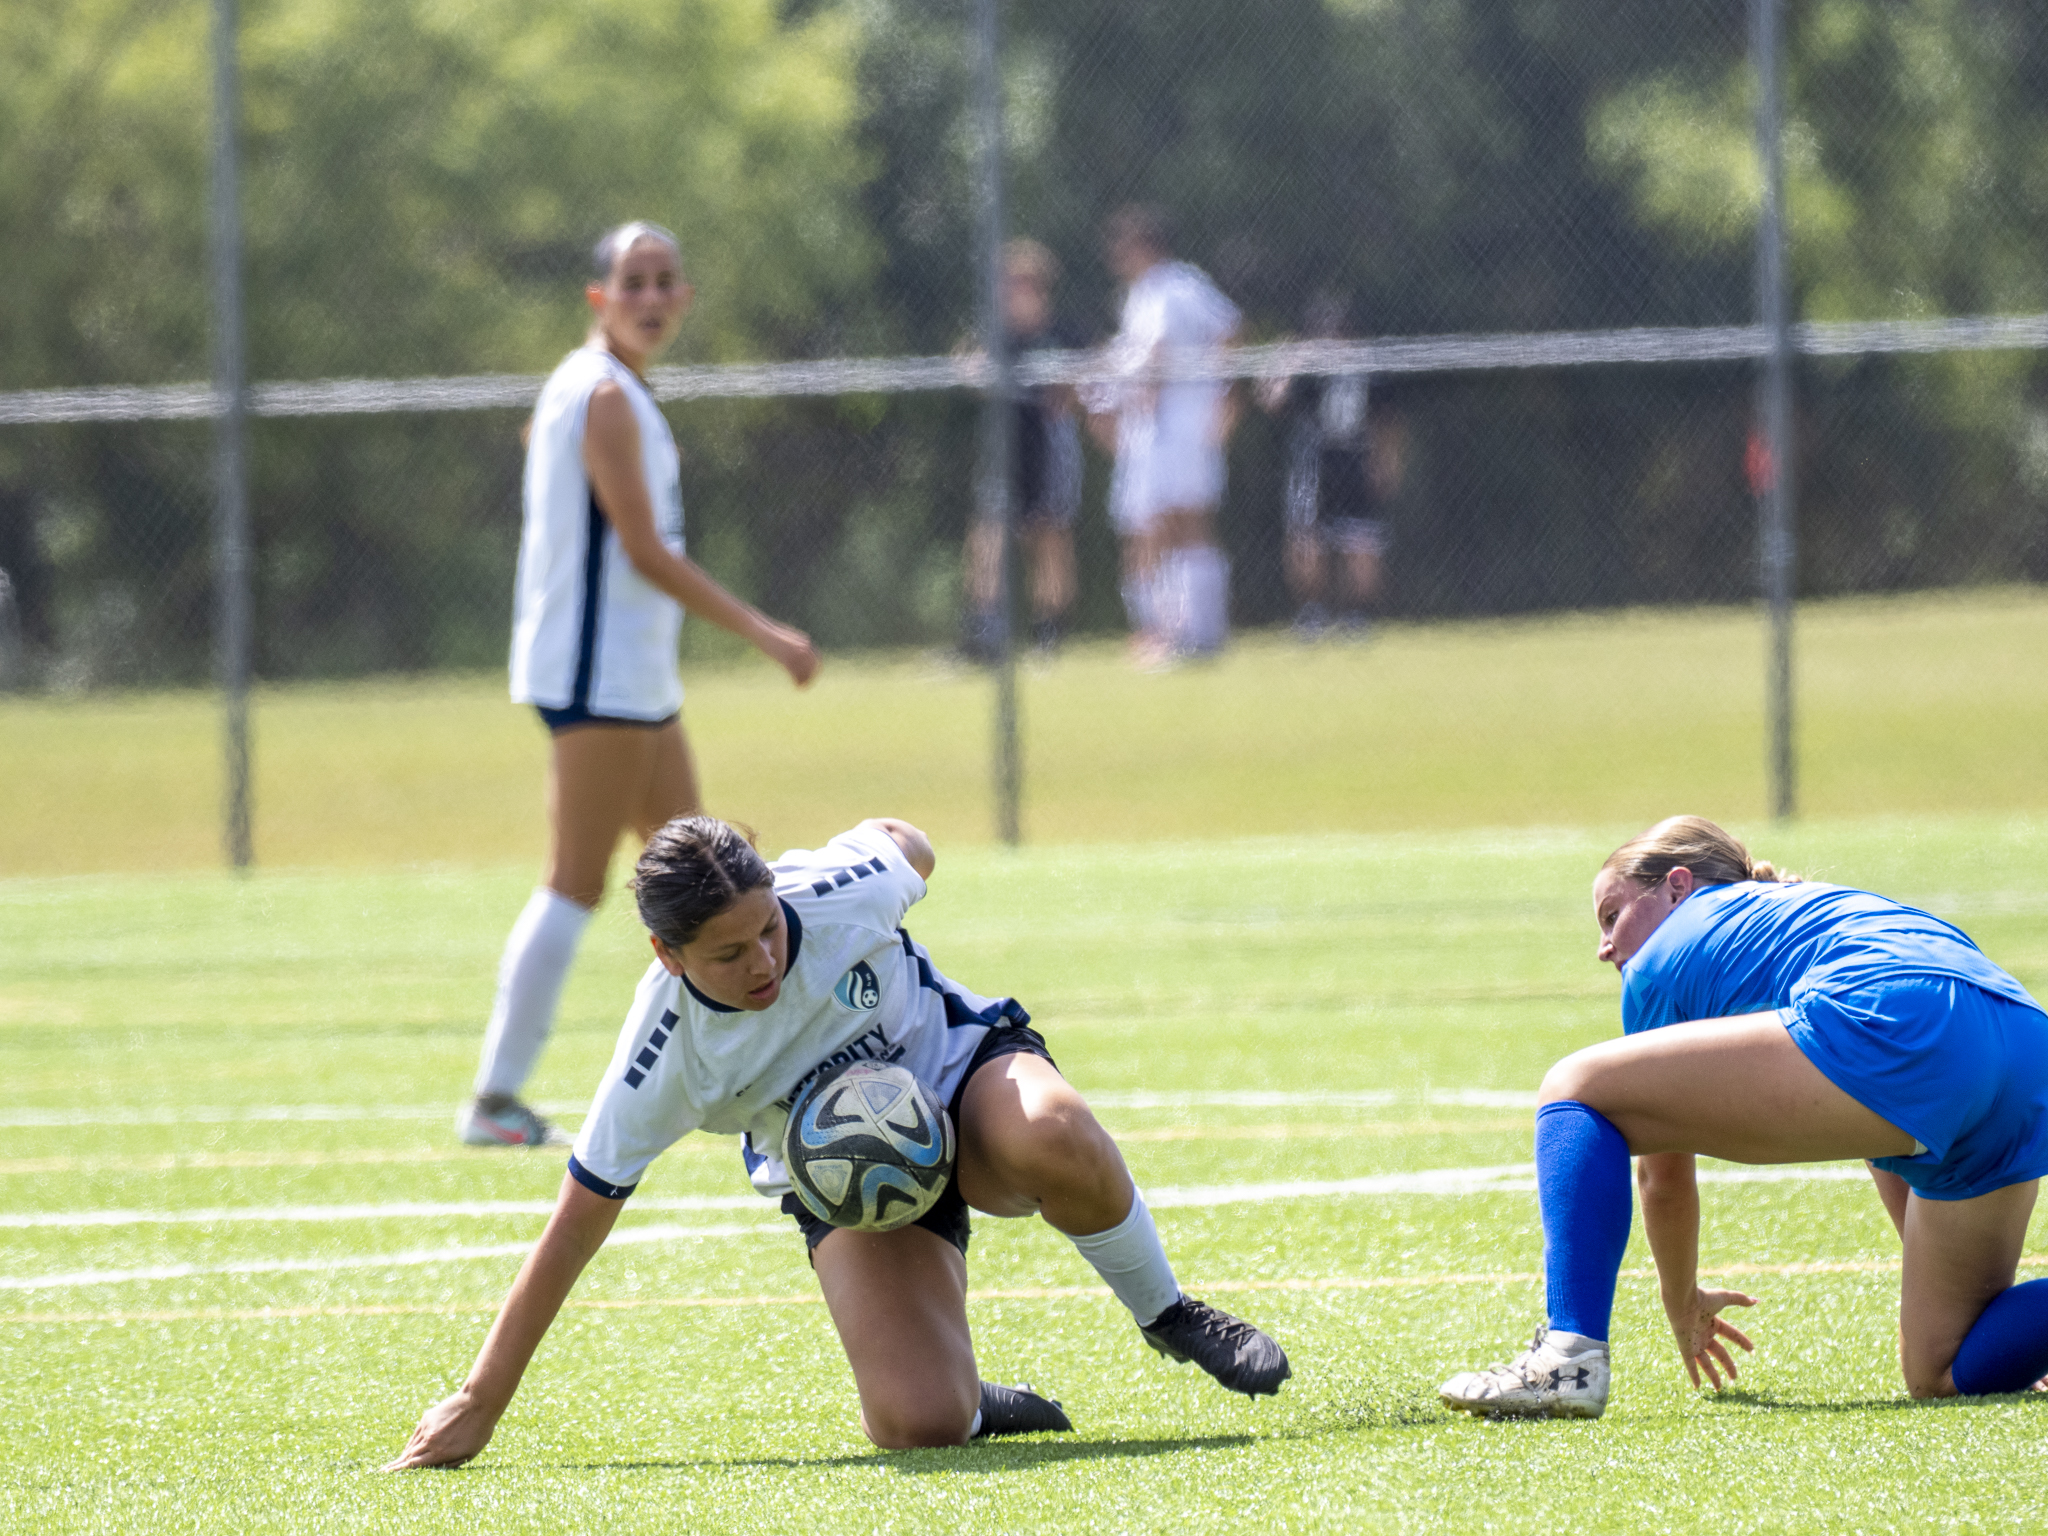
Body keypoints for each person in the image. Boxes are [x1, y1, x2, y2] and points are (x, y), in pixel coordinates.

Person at [390, 815, 1290, 1466]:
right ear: (668, 958)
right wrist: (481, 1400)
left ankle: (1170, 1314)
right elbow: (575, 1227)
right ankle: (975, 1403)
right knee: (915, 1422)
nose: (766, 963)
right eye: (729, 955)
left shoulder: (835, 891)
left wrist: (869, 845)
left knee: (1050, 1131)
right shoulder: (661, 1057)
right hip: (847, 1187)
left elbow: (909, 843)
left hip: (962, 1081)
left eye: (768, 929)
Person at [1440, 816, 2048, 1420]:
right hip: (2023, 1042)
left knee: (1576, 1088)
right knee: (1941, 1368)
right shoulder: (1799, 913)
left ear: (1677, 886)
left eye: (1611, 916)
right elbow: (1891, 1115)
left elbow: (1663, 1179)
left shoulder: (1664, 959)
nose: (1605, 949)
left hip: (1899, 1021)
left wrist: (1680, 1302)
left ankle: (1566, 1360)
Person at [459, 222, 821, 1149]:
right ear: (599, 298)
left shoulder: (607, 390)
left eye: (666, 282)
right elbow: (645, 552)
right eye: (634, 282)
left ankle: (743, 1065)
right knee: (578, 883)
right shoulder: (605, 396)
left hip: (633, 677)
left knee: (709, 882)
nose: (653, 299)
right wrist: (764, 633)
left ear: (684, 296)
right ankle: (493, 1099)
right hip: (599, 678)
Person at [1085, 205, 1240, 667]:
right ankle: (1160, 629)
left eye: (1123, 247)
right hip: (1148, 429)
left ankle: (1198, 633)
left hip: (1183, 422)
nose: (1116, 257)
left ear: (1144, 246)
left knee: (1185, 520)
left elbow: (1228, 331)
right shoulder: (1139, 295)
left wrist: (1221, 397)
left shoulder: (1181, 286)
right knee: (1145, 525)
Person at [960, 239, 1084, 662]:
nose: (1004, 291)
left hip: (1048, 443)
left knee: (1047, 534)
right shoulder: (997, 336)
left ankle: (1049, 633)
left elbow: (1085, 384)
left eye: (1013, 283)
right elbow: (968, 365)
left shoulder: (1061, 333)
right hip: (1004, 446)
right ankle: (984, 633)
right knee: (988, 533)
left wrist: (1068, 387)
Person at [1256, 293, 1405, 640]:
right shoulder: (1367, 364)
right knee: (1340, 537)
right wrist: (1387, 460)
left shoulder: (1313, 365)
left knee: (1329, 538)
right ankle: (1349, 617)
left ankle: (1326, 615)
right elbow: (1390, 420)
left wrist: (1282, 360)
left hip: (1326, 456)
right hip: (1351, 454)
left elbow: (1272, 400)